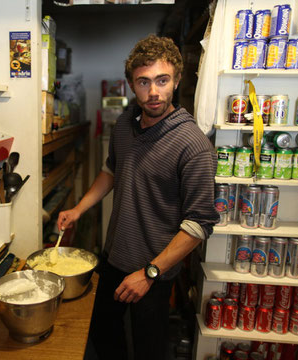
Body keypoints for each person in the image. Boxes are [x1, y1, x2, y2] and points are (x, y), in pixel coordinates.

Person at [57, 34, 218, 360]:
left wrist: (150, 274)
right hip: (113, 258)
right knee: (104, 335)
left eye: (162, 80)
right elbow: (111, 171)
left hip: (153, 273)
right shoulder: (123, 126)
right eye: (144, 82)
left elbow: (199, 225)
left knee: (148, 349)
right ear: (131, 84)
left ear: (176, 80)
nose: (154, 92)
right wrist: (79, 208)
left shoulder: (194, 145)